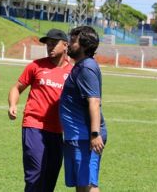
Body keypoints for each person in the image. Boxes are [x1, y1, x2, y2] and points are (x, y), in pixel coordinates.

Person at [8, 28, 72, 192]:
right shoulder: (36, 66)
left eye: (53, 43)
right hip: (33, 126)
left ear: (65, 45)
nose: (49, 47)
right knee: (34, 176)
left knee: (50, 178)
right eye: (47, 44)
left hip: (58, 131)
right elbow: (16, 88)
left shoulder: (73, 72)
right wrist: (13, 104)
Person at [59, 26, 107, 192]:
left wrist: (95, 135)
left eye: (73, 41)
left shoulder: (86, 68)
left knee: (88, 186)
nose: (69, 44)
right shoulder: (80, 66)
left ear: (85, 45)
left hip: (86, 137)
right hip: (77, 136)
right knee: (82, 185)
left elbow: (94, 102)